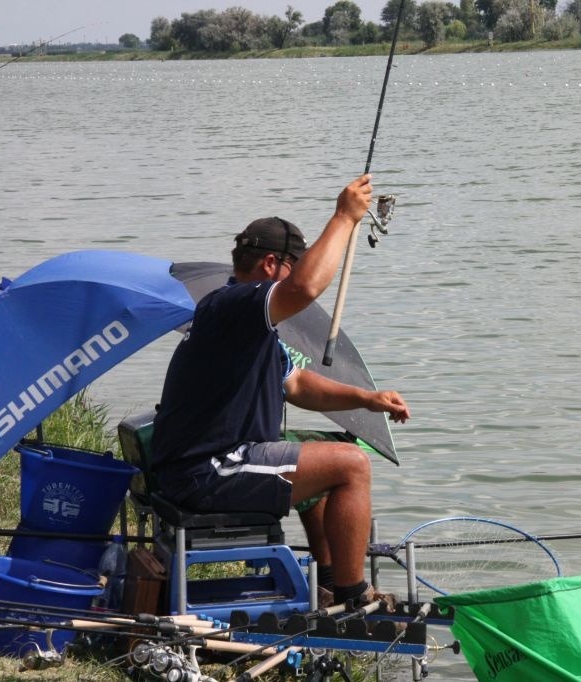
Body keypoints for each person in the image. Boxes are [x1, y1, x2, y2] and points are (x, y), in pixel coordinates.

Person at [152, 174, 409, 608]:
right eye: (295, 262)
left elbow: (298, 385)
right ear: (271, 265)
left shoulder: (249, 326)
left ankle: (327, 581)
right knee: (352, 465)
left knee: (321, 448)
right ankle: (355, 599)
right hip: (207, 470)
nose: (298, 273)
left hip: (216, 460)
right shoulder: (233, 304)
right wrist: (345, 217)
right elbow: (304, 288)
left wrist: (367, 398)